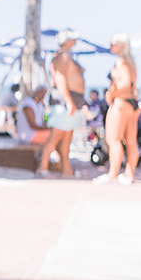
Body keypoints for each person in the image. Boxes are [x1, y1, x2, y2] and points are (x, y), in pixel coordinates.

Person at [99, 33, 140, 184]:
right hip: (131, 104)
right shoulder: (131, 61)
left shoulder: (122, 62)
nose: (111, 46)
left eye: (113, 43)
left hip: (121, 102)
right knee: (131, 141)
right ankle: (129, 174)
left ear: (121, 45)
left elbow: (125, 83)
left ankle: (112, 174)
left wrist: (111, 94)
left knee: (113, 139)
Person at [46, 29, 87, 178]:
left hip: (71, 100)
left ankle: (66, 169)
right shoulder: (62, 56)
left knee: (66, 139)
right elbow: (60, 78)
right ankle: (43, 168)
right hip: (64, 101)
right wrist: (69, 101)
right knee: (55, 137)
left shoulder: (66, 56)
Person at [14, 84, 62, 176]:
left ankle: (56, 161)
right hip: (28, 135)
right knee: (55, 134)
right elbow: (33, 125)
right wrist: (50, 129)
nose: (43, 95)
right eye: (42, 93)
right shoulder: (28, 105)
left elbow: (43, 123)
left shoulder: (39, 104)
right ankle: (51, 162)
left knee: (58, 133)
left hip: (35, 133)